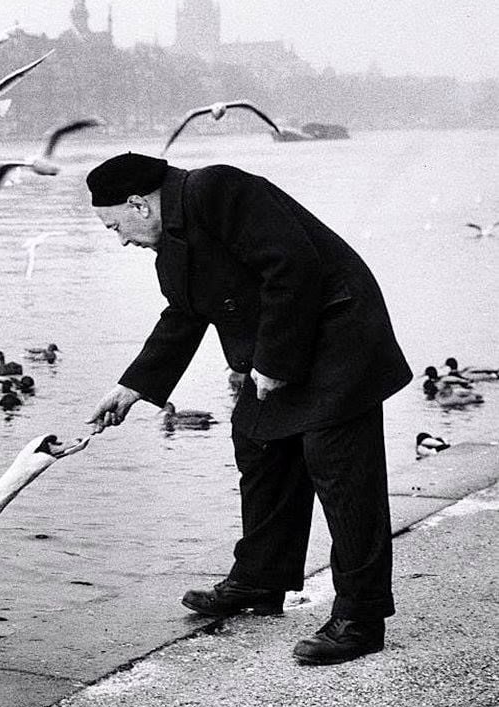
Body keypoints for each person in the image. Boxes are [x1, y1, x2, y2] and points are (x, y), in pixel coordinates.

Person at [85, 153, 412, 665]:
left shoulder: (218, 190)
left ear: (137, 205)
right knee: (259, 445)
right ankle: (260, 581)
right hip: (283, 344)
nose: (119, 239)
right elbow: (184, 314)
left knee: (341, 472)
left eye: (115, 226)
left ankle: (361, 617)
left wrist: (274, 361)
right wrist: (132, 388)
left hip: (339, 333)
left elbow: (293, 266)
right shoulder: (169, 246)